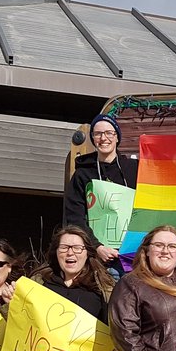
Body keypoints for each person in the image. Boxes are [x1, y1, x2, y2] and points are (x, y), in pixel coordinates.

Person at [63, 114, 139, 275]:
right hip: (99, 260)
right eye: (98, 134)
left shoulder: (135, 170)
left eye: (109, 133)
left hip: (133, 257)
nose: (103, 138)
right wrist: (97, 247)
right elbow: (75, 217)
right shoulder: (82, 175)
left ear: (117, 137)